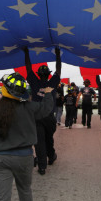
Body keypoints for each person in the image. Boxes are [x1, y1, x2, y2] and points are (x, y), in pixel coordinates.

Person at [0, 73, 53, 201]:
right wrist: (48, 94)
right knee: (25, 191)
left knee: (2, 199)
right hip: (24, 158)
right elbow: (46, 109)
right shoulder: (30, 107)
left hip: (0, 159)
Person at [23, 47, 61, 175]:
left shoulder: (34, 82)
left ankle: (42, 166)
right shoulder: (53, 82)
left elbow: (28, 68)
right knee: (49, 138)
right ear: (48, 74)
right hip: (50, 117)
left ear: (38, 74)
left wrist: (27, 53)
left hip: (37, 117)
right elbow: (59, 70)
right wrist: (57, 55)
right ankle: (51, 157)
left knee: (39, 142)